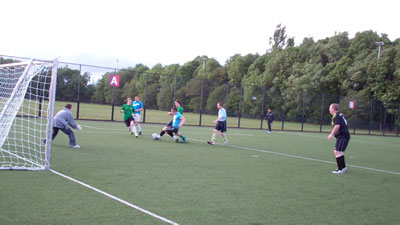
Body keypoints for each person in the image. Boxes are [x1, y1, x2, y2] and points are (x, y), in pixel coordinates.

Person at [327, 103, 350, 174]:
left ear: (333, 109)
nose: (329, 109)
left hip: (342, 136)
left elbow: (337, 126)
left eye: (330, 108)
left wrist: (331, 134)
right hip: (343, 135)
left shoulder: (336, 116)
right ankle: (343, 167)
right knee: (339, 151)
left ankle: (340, 169)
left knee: (336, 151)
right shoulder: (340, 115)